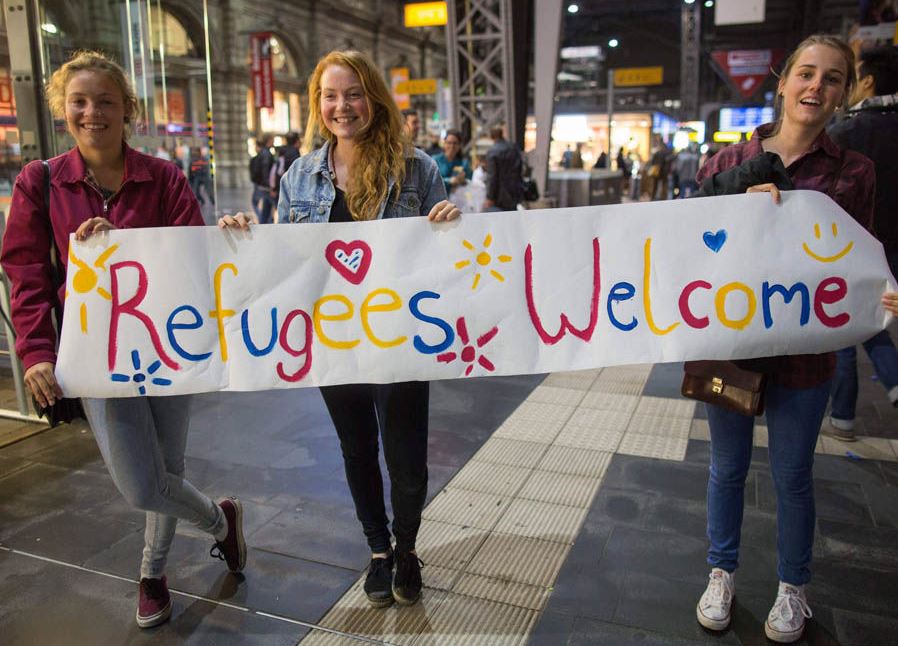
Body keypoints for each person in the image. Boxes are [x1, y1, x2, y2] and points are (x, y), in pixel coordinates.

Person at [0, 50, 245, 630]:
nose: (93, 112)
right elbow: (27, 271)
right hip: (97, 356)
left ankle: (152, 573)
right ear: (64, 111)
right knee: (144, 485)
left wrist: (229, 236)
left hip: (167, 346)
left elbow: (191, 254)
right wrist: (35, 351)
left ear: (127, 109)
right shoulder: (40, 183)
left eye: (106, 101)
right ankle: (220, 521)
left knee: (168, 465)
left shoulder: (163, 177)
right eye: (80, 102)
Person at [219, 50, 459, 608]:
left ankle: (407, 547)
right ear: (317, 104)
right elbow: (287, 259)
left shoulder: (416, 168)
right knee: (356, 449)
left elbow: (447, 263)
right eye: (330, 95)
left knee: (407, 456)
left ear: (373, 98)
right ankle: (377, 549)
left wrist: (451, 223)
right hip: (333, 340)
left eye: (352, 93)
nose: (341, 106)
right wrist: (245, 235)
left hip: (401, 336)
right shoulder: (300, 175)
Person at [690, 35, 898, 643]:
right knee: (725, 469)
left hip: (807, 358)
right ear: (781, 82)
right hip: (731, 348)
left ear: (845, 92)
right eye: (806, 74)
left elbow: (866, 253)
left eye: (832, 78)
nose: (816, 87)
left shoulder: (854, 171)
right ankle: (720, 572)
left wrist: (881, 290)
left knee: (793, 475)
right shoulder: (726, 163)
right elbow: (687, 247)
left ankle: (792, 588)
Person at [824, 45, 898, 440]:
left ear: (866, 81)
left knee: (845, 324)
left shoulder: (847, 134)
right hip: (895, 248)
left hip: (853, 245)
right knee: (876, 320)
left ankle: (843, 416)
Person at [483, 125, 523, 211]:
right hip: (514, 191)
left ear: (491, 136)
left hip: (499, 195)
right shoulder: (514, 148)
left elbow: (492, 176)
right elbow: (520, 169)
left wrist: (490, 197)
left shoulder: (492, 151)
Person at [432, 129, 472, 195]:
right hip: (438, 199)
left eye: (455, 143)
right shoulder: (435, 160)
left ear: (459, 145)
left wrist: (463, 181)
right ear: (444, 143)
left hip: (458, 200)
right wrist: (449, 181)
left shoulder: (464, 163)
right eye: (449, 143)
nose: (452, 146)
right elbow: (431, 181)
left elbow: (470, 182)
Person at [269, 131, 301, 209]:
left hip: (281, 186)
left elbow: (275, 170)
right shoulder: (295, 153)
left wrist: (273, 187)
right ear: (297, 141)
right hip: (292, 188)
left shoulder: (281, 151)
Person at [250, 134, 275, 223]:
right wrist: (270, 186)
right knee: (273, 205)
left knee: (266, 207)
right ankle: (267, 222)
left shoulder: (264, 152)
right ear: (269, 140)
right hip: (266, 186)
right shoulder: (266, 154)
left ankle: (265, 223)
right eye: (272, 139)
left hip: (263, 185)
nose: (274, 142)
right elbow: (266, 171)